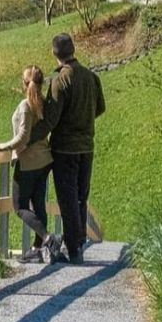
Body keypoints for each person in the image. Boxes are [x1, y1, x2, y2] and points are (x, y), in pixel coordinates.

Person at [0, 66, 62, 263]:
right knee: (38, 205)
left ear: (24, 83)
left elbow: (23, 137)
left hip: (28, 162)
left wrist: (2, 147)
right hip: (44, 160)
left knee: (19, 206)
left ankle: (48, 239)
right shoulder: (43, 104)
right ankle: (37, 250)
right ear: (41, 83)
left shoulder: (26, 105)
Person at [42, 33, 105, 264]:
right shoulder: (91, 77)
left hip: (64, 149)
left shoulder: (60, 81)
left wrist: (29, 139)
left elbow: (51, 119)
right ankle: (77, 242)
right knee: (81, 196)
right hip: (87, 146)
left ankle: (74, 248)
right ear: (73, 50)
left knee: (67, 199)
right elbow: (100, 107)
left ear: (54, 53)